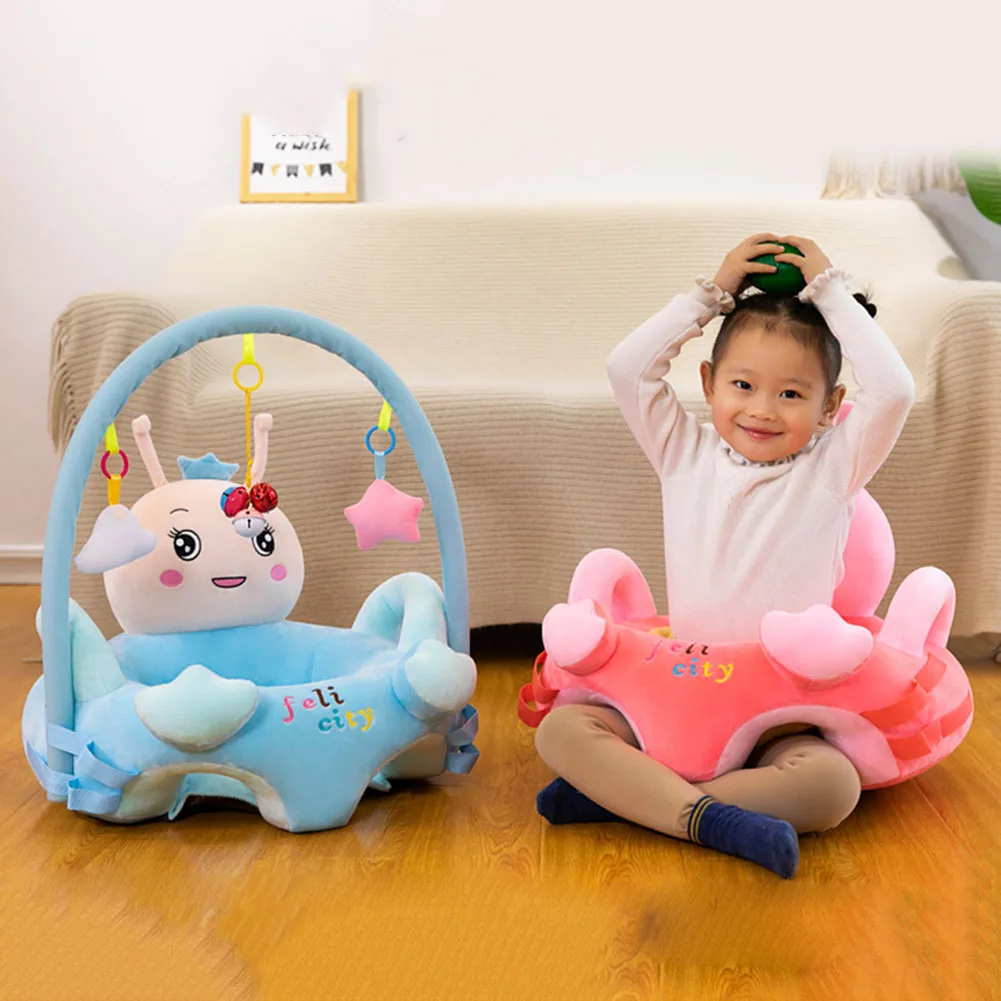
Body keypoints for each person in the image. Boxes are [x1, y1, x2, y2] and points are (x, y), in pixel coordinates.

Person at [534, 234, 917, 878]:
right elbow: (628, 368)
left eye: (791, 395)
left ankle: (635, 801)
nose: (762, 410)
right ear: (709, 384)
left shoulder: (833, 470)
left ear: (831, 407)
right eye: (743, 385)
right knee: (561, 731)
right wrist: (710, 296)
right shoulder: (682, 453)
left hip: (777, 711)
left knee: (833, 787)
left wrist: (831, 291)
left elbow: (895, 390)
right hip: (677, 691)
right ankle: (709, 819)